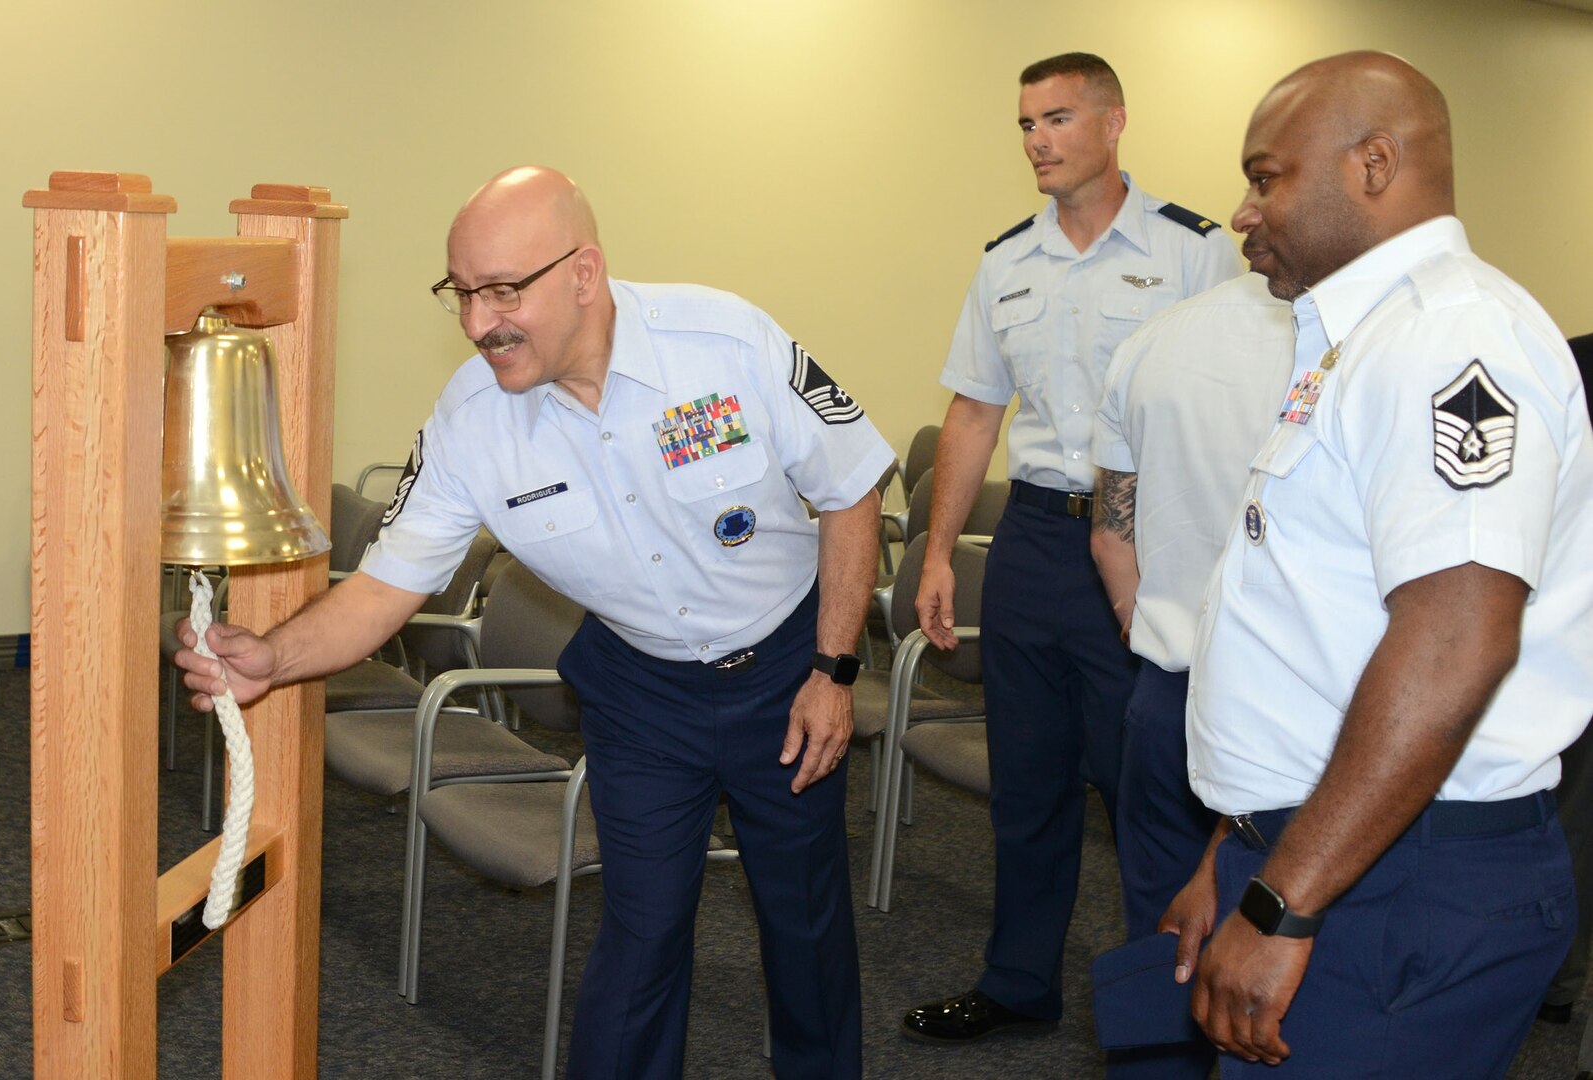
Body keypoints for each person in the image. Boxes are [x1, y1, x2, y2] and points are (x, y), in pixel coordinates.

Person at [176, 166, 895, 1080]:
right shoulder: (471, 421)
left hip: (789, 671)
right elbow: (386, 588)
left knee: (803, 920)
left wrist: (833, 673)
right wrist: (271, 658)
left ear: (584, 273)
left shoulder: (724, 344)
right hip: (641, 691)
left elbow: (852, 488)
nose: (479, 324)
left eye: (504, 291)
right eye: (462, 295)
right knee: (641, 930)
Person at [1177, 52, 1593, 1077]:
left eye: (1265, 176)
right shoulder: (1356, 340)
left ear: (1372, 165)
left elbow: (1453, 642)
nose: (1239, 210)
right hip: (1331, 844)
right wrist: (1235, 849)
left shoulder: (1447, 339)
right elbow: (1310, 631)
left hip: (1395, 874)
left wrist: (1280, 902)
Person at [903, 52, 1242, 1044]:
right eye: (1023, 124)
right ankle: (1017, 986)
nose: (1036, 142)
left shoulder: (1193, 252)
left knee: (1144, 792)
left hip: (1141, 546)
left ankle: (1169, 1013)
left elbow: (1230, 411)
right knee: (1028, 783)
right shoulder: (1007, 260)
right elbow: (972, 414)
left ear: (1112, 121)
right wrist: (935, 556)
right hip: (1029, 545)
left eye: (1055, 118)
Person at [1089, 270, 1293, 1077]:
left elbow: (1111, 536)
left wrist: (1158, 634)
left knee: (1163, 936)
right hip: (1296, 712)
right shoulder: (1357, 344)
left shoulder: (1153, 340)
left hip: (1169, 692)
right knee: (1284, 956)